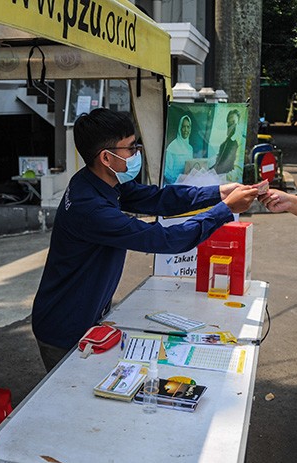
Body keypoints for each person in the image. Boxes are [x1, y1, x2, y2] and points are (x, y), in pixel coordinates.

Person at [32, 108, 261, 371]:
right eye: (130, 148)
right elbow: (165, 240)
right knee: (69, 401)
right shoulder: (90, 208)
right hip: (64, 327)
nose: (136, 153)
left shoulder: (97, 181)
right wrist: (224, 210)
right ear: (106, 157)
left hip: (85, 314)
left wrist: (218, 193)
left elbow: (157, 198)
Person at [164, 115, 194, 185]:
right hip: (173, 185)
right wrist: (179, 181)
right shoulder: (171, 147)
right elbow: (166, 173)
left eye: (188, 127)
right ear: (180, 128)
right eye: (183, 127)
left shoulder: (190, 148)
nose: (186, 130)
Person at [210, 109, 241, 175]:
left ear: (238, 123)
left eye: (233, 122)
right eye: (229, 124)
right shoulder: (223, 145)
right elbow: (218, 164)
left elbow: (238, 171)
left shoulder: (240, 143)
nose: (231, 127)